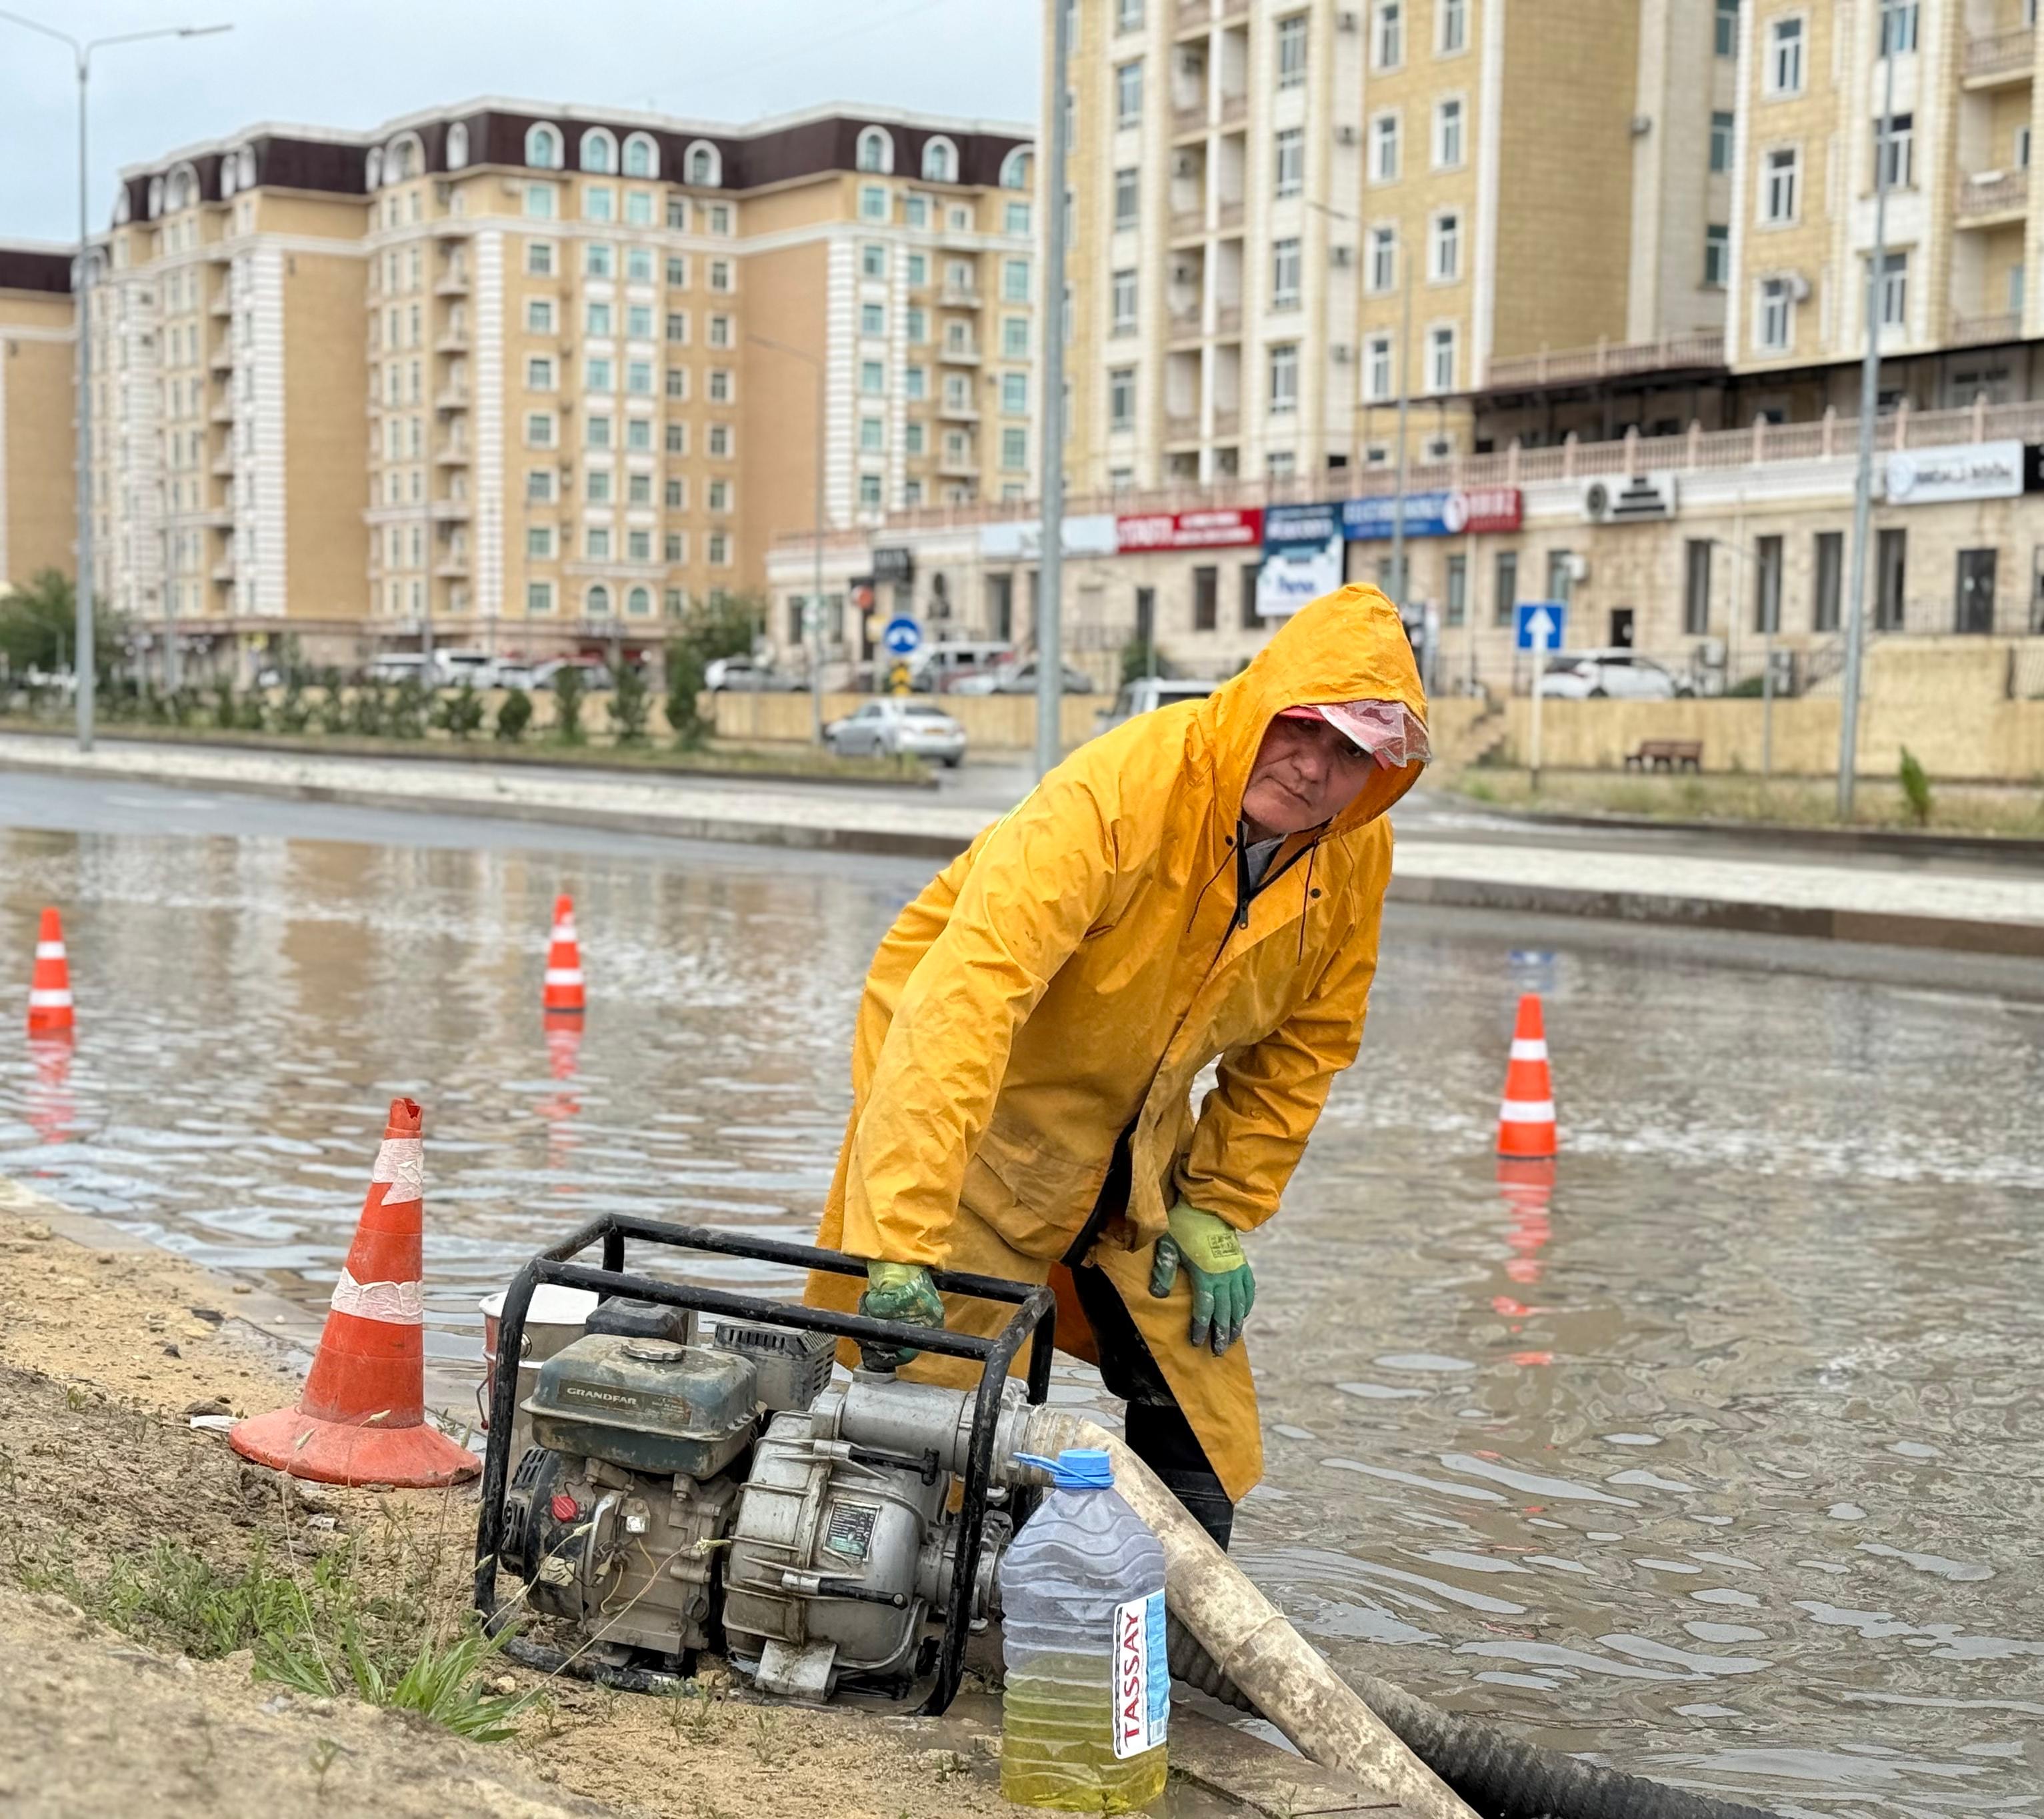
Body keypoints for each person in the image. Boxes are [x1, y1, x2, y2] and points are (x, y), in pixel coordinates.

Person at [807, 583, 1429, 1546]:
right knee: (929, 1414)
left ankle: (1183, 1642)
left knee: (1200, 1401)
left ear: (1378, 773)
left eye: (1350, 752)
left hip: (1131, 1146)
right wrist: (901, 1230)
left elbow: (1305, 1045)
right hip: (976, 1122)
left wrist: (1219, 1200)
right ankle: (909, 1613)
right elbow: (965, 1002)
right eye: (1299, 730)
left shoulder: (1351, 857)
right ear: (1259, 704)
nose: (1312, 769)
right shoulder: (1122, 790)